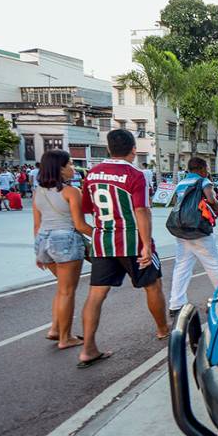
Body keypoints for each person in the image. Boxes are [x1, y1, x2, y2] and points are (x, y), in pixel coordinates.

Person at [78, 129, 170, 368]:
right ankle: (163, 330)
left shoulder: (92, 174)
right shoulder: (135, 174)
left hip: (102, 242)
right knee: (152, 285)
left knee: (96, 295)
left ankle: (88, 348)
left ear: (109, 149)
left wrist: (97, 232)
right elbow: (141, 210)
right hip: (132, 241)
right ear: (133, 150)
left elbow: (87, 209)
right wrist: (147, 245)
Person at [33, 149, 93, 350]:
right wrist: (102, 236)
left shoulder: (38, 192)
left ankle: (56, 329)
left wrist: (38, 253)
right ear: (60, 168)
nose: (72, 168)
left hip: (43, 241)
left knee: (61, 289)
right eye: (69, 164)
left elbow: (37, 225)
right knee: (68, 291)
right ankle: (65, 338)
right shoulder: (71, 192)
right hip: (65, 241)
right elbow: (80, 225)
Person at [168, 157, 218, 319]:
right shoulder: (203, 181)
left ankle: (176, 304)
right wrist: (216, 207)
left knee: (182, 266)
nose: (207, 171)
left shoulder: (181, 183)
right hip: (199, 230)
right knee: (214, 264)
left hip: (182, 230)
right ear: (201, 169)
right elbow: (211, 198)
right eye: (206, 168)